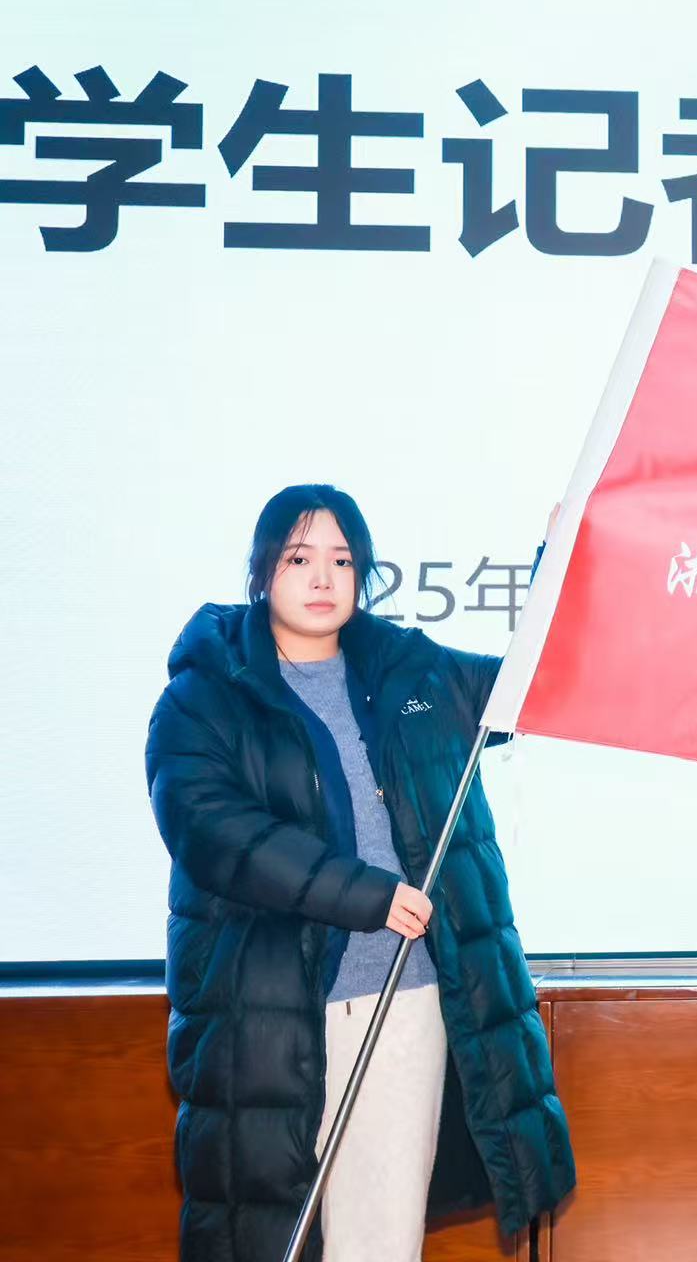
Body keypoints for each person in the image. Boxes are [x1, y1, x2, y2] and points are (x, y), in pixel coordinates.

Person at [146, 484, 575, 1262]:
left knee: (380, 1240)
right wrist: (368, 896)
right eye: (298, 558)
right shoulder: (205, 696)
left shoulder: (410, 672)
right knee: (265, 1239)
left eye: (342, 560)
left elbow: (532, 684)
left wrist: (561, 560)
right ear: (261, 572)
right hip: (267, 1015)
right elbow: (214, 831)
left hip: (404, 1003)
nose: (322, 577)